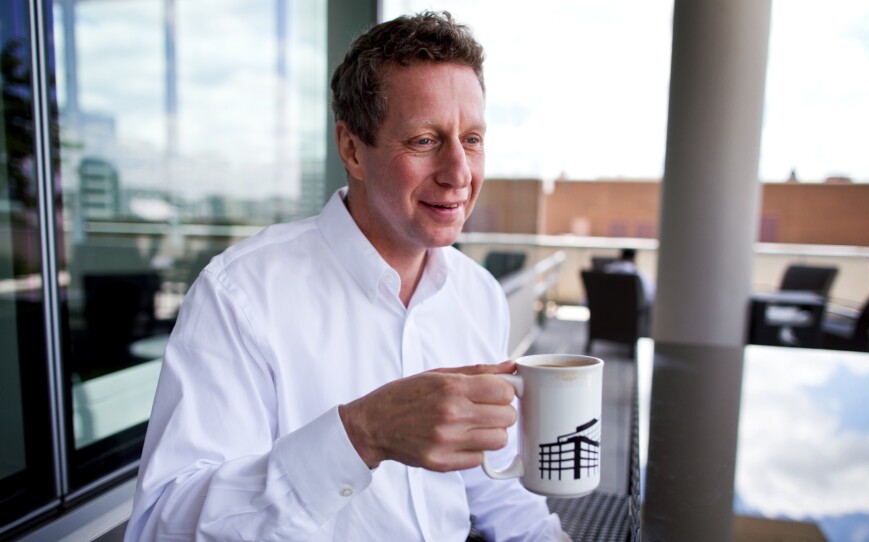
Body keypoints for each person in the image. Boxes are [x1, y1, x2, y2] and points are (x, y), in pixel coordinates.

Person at [125, 11, 569, 541]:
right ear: (353, 148)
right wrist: (361, 434)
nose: (459, 173)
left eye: (471, 139)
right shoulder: (241, 294)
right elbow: (162, 527)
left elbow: (496, 486)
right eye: (425, 140)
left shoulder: (478, 295)